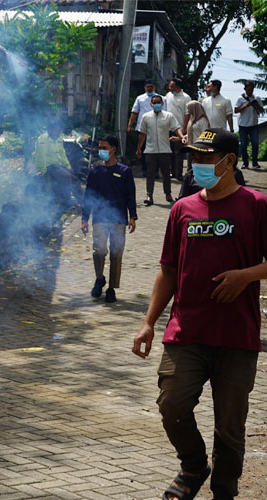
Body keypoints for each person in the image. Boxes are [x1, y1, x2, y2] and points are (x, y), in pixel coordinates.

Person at [132, 128, 267, 500]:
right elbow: (169, 269)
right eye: (194, 157)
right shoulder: (182, 208)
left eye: (206, 158)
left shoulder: (256, 205)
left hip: (237, 334)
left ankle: (224, 491)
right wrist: (147, 323)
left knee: (230, 426)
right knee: (171, 403)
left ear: (229, 162)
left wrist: (246, 275)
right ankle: (193, 465)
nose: (197, 165)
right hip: (186, 330)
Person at [80, 136, 137, 303]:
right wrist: (84, 219)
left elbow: (130, 195)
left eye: (104, 147)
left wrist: (132, 216)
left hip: (119, 219)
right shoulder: (95, 172)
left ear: (113, 149)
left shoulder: (125, 171)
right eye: (99, 147)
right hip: (99, 218)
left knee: (116, 253)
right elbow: (88, 196)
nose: (101, 151)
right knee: (99, 250)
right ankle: (99, 278)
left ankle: (112, 288)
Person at [136, 95, 184, 205]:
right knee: (150, 174)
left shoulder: (168, 116)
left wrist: (181, 136)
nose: (157, 104)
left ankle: (168, 193)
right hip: (150, 150)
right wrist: (139, 148)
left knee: (166, 174)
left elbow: (176, 128)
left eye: (159, 102)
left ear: (162, 104)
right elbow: (142, 133)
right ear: (151, 104)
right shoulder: (146, 117)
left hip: (165, 150)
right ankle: (149, 195)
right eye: (154, 102)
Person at [128, 79, 166, 176]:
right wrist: (129, 125)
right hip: (142, 128)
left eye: (151, 86)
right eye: (147, 86)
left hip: (157, 128)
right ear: (144, 87)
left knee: (156, 151)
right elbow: (134, 112)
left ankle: (156, 171)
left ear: (154, 87)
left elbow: (165, 114)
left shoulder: (162, 98)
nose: (149, 88)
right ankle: (145, 170)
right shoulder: (140, 98)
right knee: (143, 149)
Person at [165, 78, 192, 180]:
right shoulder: (168, 95)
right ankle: (172, 172)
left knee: (178, 152)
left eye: (171, 86)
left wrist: (184, 128)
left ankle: (178, 174)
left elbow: (187, 114)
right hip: (167, 128)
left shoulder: (186, 97)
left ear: (177, 86)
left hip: (179, 128)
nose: (169, 88)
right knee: (169, 151)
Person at [234, 80, 264, 169]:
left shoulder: (257, 98)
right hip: (243, 125)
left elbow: (261, 110)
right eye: (249, 89)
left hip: (254, 124)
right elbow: (236, 110)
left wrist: (256, 104)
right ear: (245, 89)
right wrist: (246, 105)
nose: (250, 91)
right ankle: (245, 163)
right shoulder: (240, 98)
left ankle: (255, 163)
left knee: (255, 144)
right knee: (243, 144)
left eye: (252, 89)